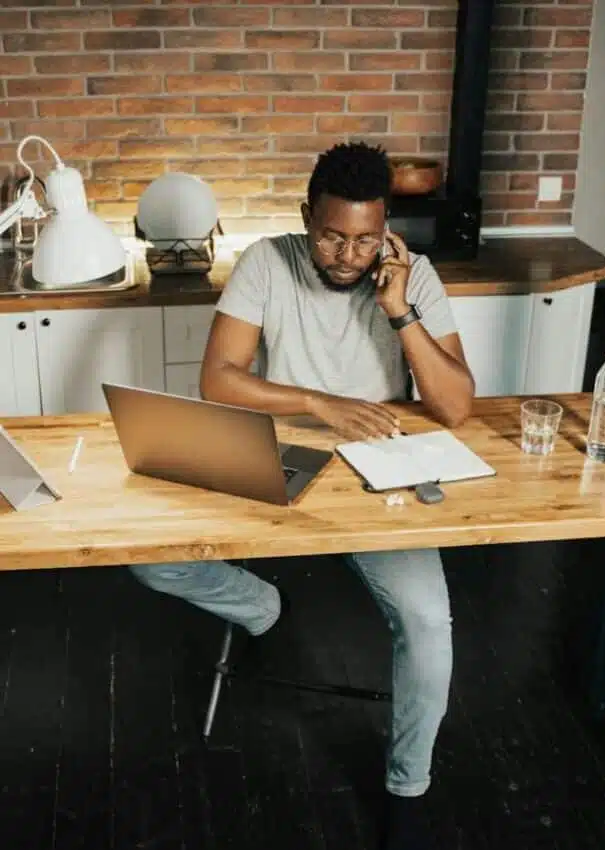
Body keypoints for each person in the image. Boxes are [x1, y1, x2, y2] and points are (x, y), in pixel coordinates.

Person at [130, 142, 475, 850]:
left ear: (385, 231)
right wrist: (321, 402)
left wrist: (402, 314)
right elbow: (219, 379)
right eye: (330, 235)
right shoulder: (267, 260)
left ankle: (407, 788)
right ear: (304, 218)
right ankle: (261, 606)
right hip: (276, 452)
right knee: (150, 558)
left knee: (429, 626)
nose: (347, 255)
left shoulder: (415, 276)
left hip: (381, 466)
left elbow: (458, 406)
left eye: (364, 239)